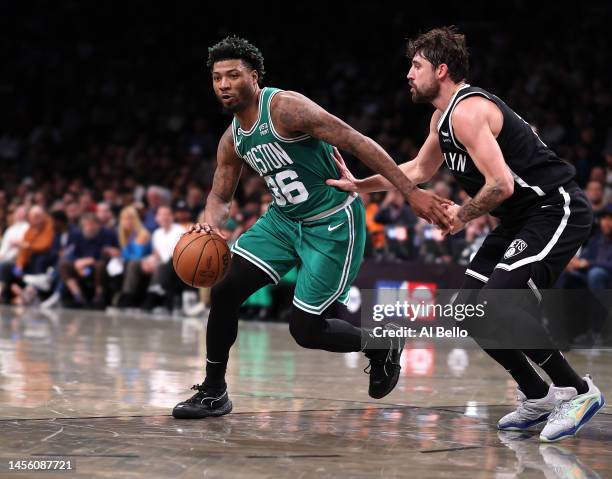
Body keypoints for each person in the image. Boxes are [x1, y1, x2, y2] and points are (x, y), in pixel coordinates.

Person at [327, 26, 604, 442]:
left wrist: (460, 214)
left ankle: (578, 391)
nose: (408, 73)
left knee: (501, 305)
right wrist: (360, 185)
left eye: (416, 65)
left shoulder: (468, 111)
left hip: (554, 207)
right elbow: (418, 171)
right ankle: (538, 394)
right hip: (518, 220)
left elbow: (500, 185)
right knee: (467, 311)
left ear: (441, 70)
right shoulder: (442, 118)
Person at [172, 36, 452, 419]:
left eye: (233, 75)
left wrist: (411, 192)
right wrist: (211, 227)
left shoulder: (286, 108)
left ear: (254, 77)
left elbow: (357, 141)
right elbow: (220, 196)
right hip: (283, 221)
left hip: (332, 223)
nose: (223, 84)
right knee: (225, 290)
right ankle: (214, 390)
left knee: (306, 330)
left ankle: (382, 343)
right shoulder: (232, 139)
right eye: (217, 77)